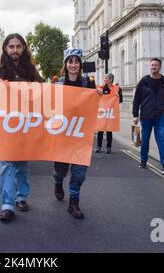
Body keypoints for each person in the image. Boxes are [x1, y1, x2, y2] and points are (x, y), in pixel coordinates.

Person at [0, 33, 43, 222]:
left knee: (22, 165)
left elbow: (43, 91)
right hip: (4, 126)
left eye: (18, 46)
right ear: (5, 48)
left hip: (25, 125)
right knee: (6, 165)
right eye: (11, 47)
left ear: (23, 48)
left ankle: (21, 197)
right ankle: (7, 205)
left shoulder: (31, 70)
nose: (14, 50)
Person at [53, 49, 96, 220]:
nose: (73, 65)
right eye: (70, 61)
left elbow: (94, 105)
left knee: (79, 171)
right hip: (62, 134)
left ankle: (74, 202)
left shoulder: (89, 83)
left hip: (81, 135)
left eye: (76, 61)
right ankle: (58, 182)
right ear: (65, 64)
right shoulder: (58, 83)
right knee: (61, 168)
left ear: (80, 64)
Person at [133, 58, 164, 175]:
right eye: (152, 65)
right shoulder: (144, 81)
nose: (153, 67)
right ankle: (143, 161)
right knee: (145, 139)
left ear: (160, 67)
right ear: (150, 67)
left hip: (161, 116)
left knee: (161, 139)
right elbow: (136, 99)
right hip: (146, 116)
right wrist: (135, 115)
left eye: (156, 65)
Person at [96, 73, 123, 154]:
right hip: (102, 112)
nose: (104, 80)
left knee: (109, 130)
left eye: (106, 78)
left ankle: (109, 147)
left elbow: (120, 100)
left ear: (111, 79)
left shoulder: (116, 88)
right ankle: (99, 146)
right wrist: (98, 93)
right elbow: (97, 98)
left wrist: (118, 96)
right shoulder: (101, 88)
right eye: (104, 78)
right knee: (100, 129)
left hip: (110, 112)